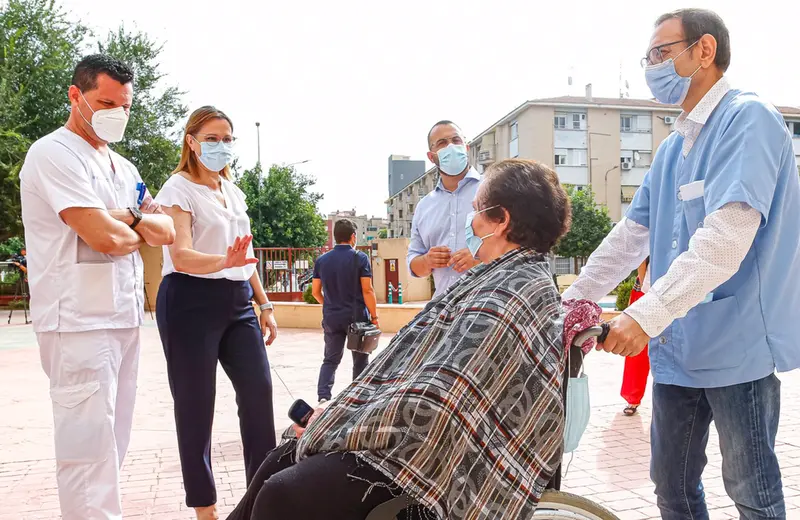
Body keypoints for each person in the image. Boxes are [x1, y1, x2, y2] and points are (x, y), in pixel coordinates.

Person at [226, 158, 572, 520]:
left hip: (432, 453)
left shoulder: (520, 290)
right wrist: (347, 413)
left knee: (282, 495)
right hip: (410, 428)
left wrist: (351, 422)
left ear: (501, 219)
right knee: (275, 461)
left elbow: (445, 395)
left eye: (476, 211)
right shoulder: (494, 277)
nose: (471, 222)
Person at [564, 8, 800, 519]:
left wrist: (644, 315)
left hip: (736, 348)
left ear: (705, 51)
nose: (652, 67)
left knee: (752, 490)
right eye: (648, 57)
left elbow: (725, 238)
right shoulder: (673, 148)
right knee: (671, 488)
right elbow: (632, 237)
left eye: (661, 53)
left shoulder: (748, 119)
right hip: (677, 351)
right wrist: (574, 299)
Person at [18, 54, 176, 519]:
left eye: (125, 106)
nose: (117, 114)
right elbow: (106, 238)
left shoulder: (123, 168)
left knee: (112, 440)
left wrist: (125, 217)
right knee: (85, 448)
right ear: (75, 96)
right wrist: (131, 221)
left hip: (123, 317)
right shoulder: (53, 154)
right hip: (77, 321)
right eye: (106, 102)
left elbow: (166, 230)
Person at [154, 106, 278, 520]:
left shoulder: (233, 190)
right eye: (212, 138)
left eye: (227, 139)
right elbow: (182, 254)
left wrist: (264, 303)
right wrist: (223, 262)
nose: (221, 146)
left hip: (238, 299)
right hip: (190, 301)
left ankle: (260, 497)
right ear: (191, 141)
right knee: (195, 404)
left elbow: (247, 256)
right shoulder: (178, 188)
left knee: (259, 392)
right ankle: (204, 507)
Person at [408, 120, 481, 298]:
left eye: (456, 140)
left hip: (490, 307)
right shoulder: (424, 207)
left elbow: (519, 247)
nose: (450, 147)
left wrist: (481, 259)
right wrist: (426, 261)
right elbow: (413, 263)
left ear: (467, 147)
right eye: (442, 143)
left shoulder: (494, 190)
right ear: (431, 157)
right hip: (444, 312)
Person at [311, 218, 379, 403]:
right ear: (352, 237)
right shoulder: (360, 258)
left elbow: (315, 292)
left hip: (332, 317)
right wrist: (374, 316)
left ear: (335, 237)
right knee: (360, 360)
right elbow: (367, 290)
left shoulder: (322, 260)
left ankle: (323, 397)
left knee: (330, 359)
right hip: (357, 317)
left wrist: (328, 304)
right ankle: (358, 398)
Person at [620, 257, 650, 416]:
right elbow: (642, 256)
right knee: (637, 347)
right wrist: (646, 287)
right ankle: (633, 397)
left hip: (679, 288)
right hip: (645, 291)